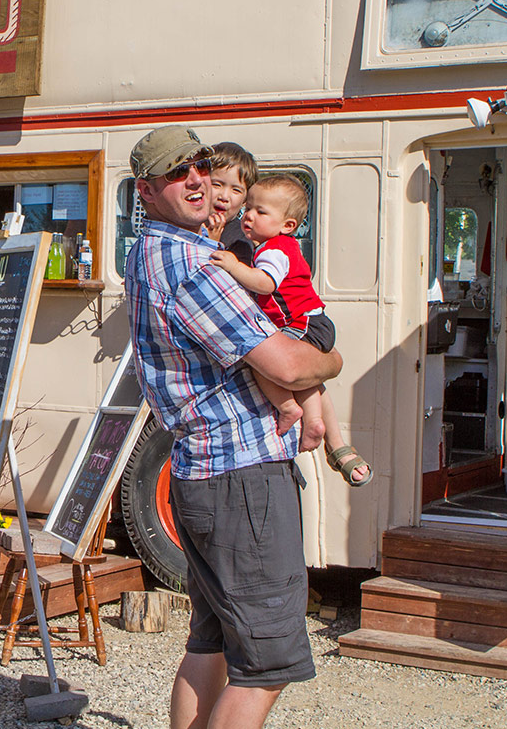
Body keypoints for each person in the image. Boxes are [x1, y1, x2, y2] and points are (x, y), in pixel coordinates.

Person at [124, 126, 342, 729]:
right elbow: (289, 364)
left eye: (198, 165)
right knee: (268, 662)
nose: (194, 180)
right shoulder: (191, 266)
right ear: (145, 190)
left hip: (201, 471)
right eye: (176, 173)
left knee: (212, 642)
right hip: (240, 477)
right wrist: (332, 360)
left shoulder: (148, 251)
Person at [210, 175, 371, 486]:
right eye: (249, 209)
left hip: (302, 323)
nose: (250, 216)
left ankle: (289, 409)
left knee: (262, 363)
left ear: (288, 225)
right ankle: (315, 423)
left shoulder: (274, 250)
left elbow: (265, 283)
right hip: (313, 322)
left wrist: (232, 266)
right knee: (307, 377)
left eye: (261, 211)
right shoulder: (272, 246)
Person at [205, 141, 256, 267]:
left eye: (236, 190)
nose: (224, 197)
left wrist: (211, 244)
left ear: (245, 200)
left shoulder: (241, 239)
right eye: (216, 185)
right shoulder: (187, 225)